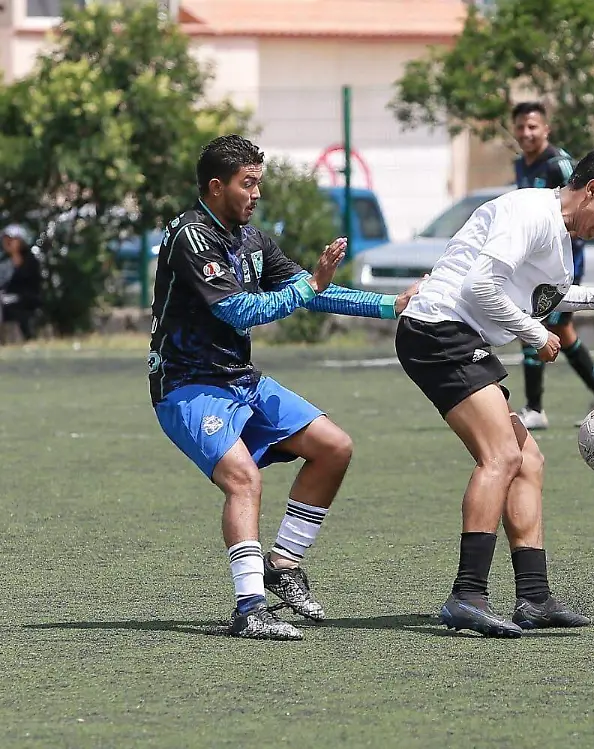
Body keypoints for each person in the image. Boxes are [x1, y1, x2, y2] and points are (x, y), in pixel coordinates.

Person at [149, 134, 422, 641]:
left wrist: (389, 306)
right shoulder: (192, 237)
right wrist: (308, 286)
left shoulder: (252, 239)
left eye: (258, 184)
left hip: (239, 379)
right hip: (187, 385)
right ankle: (250, 607)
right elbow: (239, 310)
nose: (256, 194)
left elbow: (312, 290)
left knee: (334, 447)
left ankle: (282, 563)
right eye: (247, 184)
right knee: (243, 478)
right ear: (215, 187)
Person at [397, 145, 594, 638]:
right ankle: (467, 595)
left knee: (528, 461)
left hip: (454, 335)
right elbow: (478, 287)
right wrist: (534, 333)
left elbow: (545, 296)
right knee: (501, 457)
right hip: (437, 329)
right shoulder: (530, 211)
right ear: (592, 190)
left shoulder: (557, 233)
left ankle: (533, 597)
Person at [509, 101, 594, 430]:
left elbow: (578, 211)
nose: (526, 133)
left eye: (533, 126)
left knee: (534, 324)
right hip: (535, 261)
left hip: (561, 262)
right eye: (520, 127)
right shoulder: (522, 165)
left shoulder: (559, 165)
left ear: (546, 129)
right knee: (562, 331)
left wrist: (562, 264)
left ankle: (534, 408)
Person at [0, 224, 42, 341]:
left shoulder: (31, 261)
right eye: (6, 240)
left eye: (11, 240)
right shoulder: (4, 261)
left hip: (27, 299)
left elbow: (32, 284)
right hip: (6, 299)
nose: (8, 243)